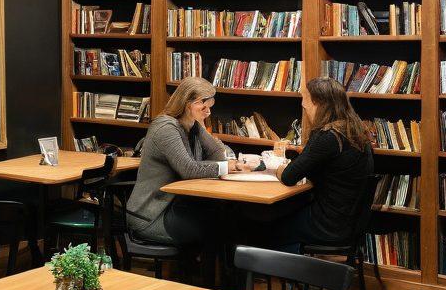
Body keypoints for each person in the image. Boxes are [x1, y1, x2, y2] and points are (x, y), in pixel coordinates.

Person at [126, 76, 245, 273]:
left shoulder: (192, 124)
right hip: (152, 214)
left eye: (210, 105)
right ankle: (212, 288)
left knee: (231, 221)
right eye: (204, 107)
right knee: (218, 229)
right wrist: (228, 167)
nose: (209, 111)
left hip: (177, 206)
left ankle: (223, 287)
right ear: (188, 103)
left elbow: (216, 152)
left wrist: (226, 159)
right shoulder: (166, 128)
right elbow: (188, 169)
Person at [268, 76, 374, 250]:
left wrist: (273, 165)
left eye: (305, 101)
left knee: (264, 224)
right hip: (347, 221)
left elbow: (288, 177)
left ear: (318, 103)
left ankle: (287, 272)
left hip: (326, 224)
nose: (303, 106)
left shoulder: (328, 135)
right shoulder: (356, 130)